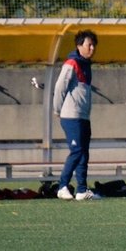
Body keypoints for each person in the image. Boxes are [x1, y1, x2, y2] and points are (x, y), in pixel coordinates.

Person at [53, 29, 99, 201]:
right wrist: (57, 110)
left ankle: (81, 189)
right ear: (79, 46)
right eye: (89, 45)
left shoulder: (87, 65)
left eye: (94, 45)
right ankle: (62, 186)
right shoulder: (71, 63)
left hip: (83, 117)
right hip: (71, 117)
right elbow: (59, 87)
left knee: (84, 152)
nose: (92, 48)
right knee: (77, 150)